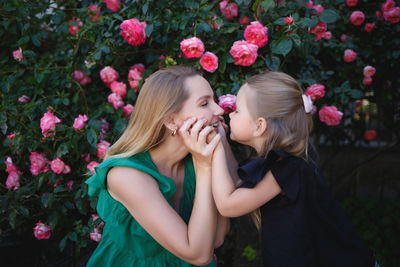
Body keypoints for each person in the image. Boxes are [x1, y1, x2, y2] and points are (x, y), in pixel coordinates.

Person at [181, 71, 377, 267]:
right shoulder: (280, 161)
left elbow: (228, 205)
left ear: (259, 126)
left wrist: (211, 155)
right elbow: (236, 185)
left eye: (238, 111)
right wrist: (221, 142)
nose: (228, 113)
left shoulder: (288, 167)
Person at [85, 66, 230, 266]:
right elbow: (199, 255)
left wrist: (218, 154)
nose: (219, 110)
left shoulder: (197, 159)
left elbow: (216, 238)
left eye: (214, 100)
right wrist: (205, 167)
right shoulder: (126, 175)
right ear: (170, 120)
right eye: (205, 103)